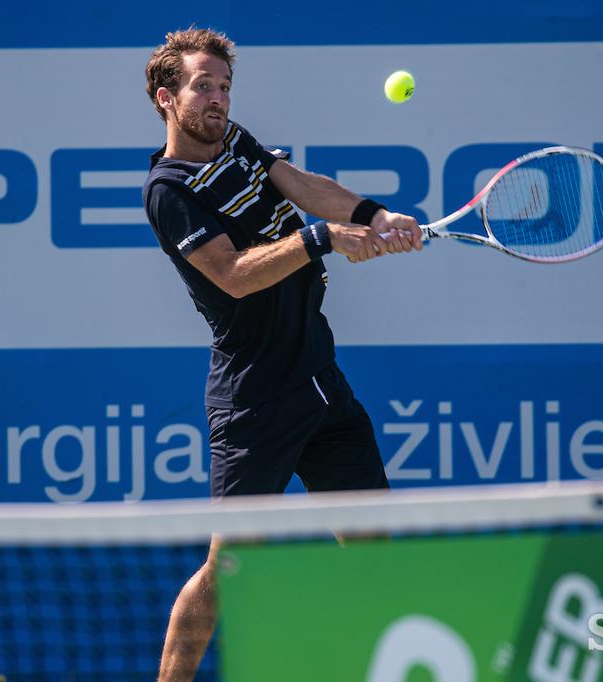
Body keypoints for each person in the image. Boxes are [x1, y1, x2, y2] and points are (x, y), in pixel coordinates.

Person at [142, 27, 422, 681]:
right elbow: (234, 273)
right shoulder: (168, 190)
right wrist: (321, 240)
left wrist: (374, 215)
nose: (218, 99)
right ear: (166, 98)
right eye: (203, 87)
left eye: (224, 86)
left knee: (375, 547)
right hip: (256, 399)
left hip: (321, 381)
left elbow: (298, 183)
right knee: (230, 566)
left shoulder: (236, 142)